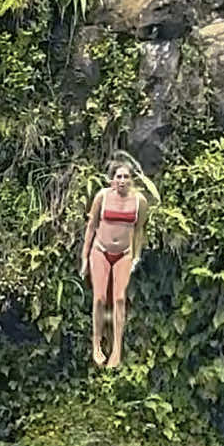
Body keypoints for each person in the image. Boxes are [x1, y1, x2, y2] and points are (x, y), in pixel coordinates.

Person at [80, 153, 159, 369]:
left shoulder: (139, 202)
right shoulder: (102, 197)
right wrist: (84, 257)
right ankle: (96, 344)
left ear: (131, 180)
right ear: (112, 179)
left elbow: (139, 229)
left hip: (123, 253)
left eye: (126, 177)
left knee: (119, 299)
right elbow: (91, 226)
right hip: (100, 250)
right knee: (98, 298)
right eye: (118, 176)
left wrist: (136, 255)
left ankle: (117, 349)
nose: (122, 180)